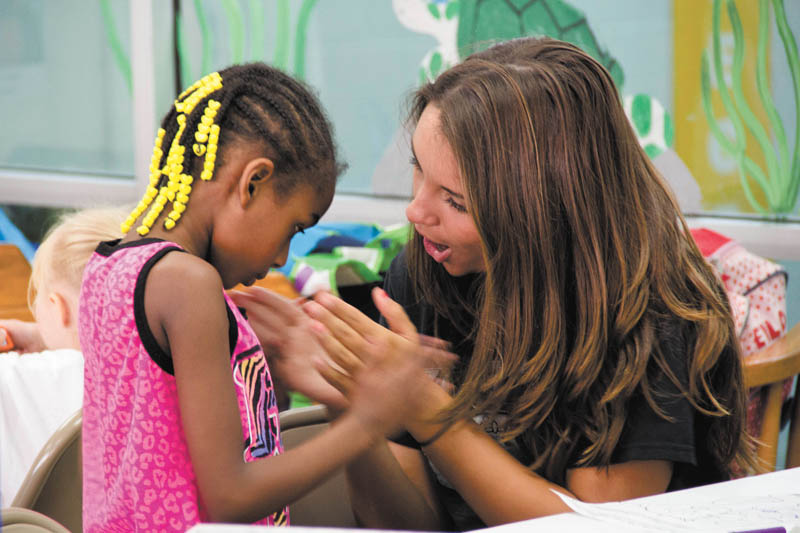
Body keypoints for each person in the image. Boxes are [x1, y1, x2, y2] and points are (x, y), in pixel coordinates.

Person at [243, 38, 756, 530]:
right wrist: (346, 395)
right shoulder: (424, 275)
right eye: (418, 170)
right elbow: (409, 524)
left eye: (456, 202)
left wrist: (424, 407)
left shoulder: (644, 316)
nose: (416, 211)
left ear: (547, 214)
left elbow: (597, 529)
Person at [77, 63, 445, 532]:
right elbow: (231, 499)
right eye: (294, 228)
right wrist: (369, 420)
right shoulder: (190, 285)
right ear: (252, 182)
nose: (282, 258)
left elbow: (160, 436)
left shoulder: (107, 266)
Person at [0, 206, 124, 506]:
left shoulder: (16, 376)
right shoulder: (166, 374)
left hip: (28, 525)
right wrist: (45, 337)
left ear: (59, 307)